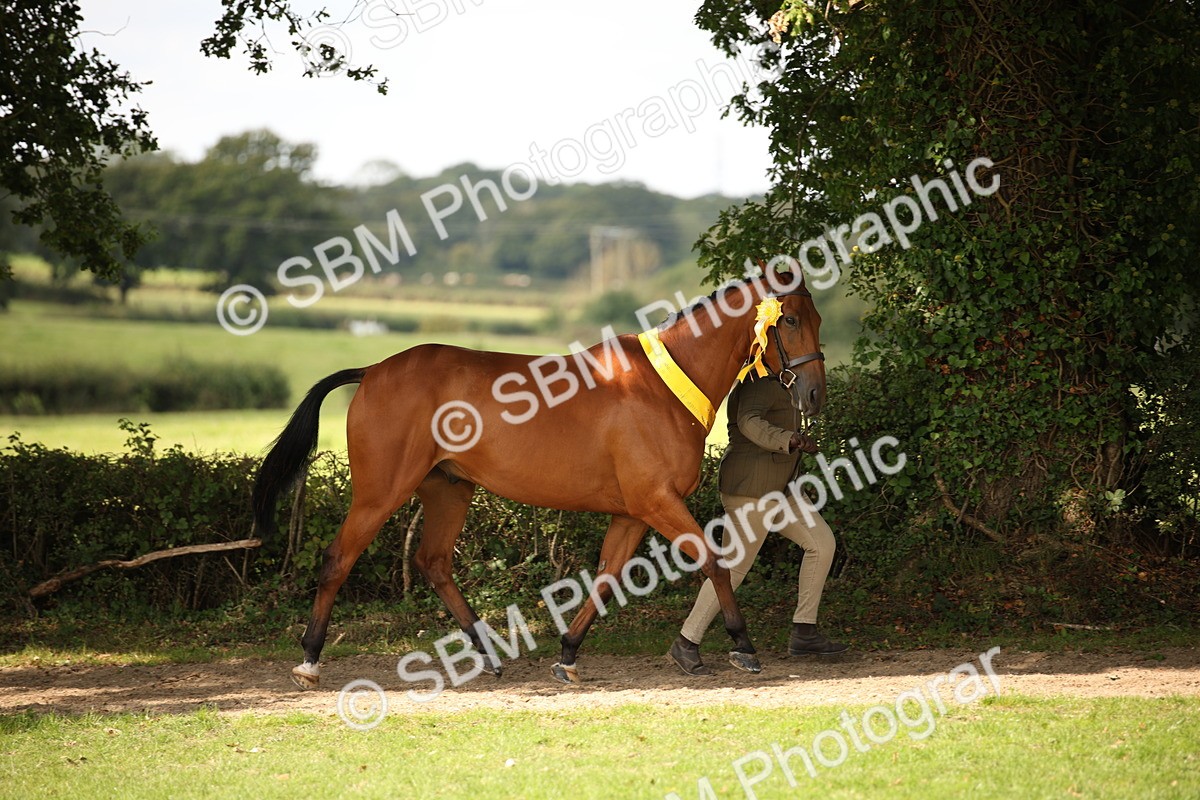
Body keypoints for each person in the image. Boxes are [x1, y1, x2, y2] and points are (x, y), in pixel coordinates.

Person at [669, 373, 847, 676]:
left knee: (821, 544)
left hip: (784, 489)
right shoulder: (757, 381)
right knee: (733, 569)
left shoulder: (783, 381)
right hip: (751, 488)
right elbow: (749, 420)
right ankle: (686, 642)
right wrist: (788, 439)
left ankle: (804, 632)